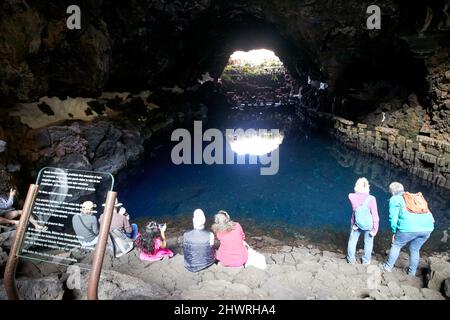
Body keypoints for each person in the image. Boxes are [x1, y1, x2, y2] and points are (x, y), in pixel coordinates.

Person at [382, 182, 435, 276]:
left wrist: (394, 232)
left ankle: (387, 268)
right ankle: (412, 274)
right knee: (415, 249)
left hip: (408, 228)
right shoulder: (414, 197)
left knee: (396, 245)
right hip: (428, 228)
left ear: (392, 192)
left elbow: (393, 218)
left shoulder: (394, 199)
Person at [346, 177, 379, 265]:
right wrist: (375, 229)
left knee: (352, 241)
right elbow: (375, 216)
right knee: (368, 243)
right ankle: (366, 261)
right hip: (369, 225)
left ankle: (351, 260)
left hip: (356, 223)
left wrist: (353, 224)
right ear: (367, 187)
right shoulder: (372, 198)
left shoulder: (351, 196)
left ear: (357, 186)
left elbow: (355, 211)